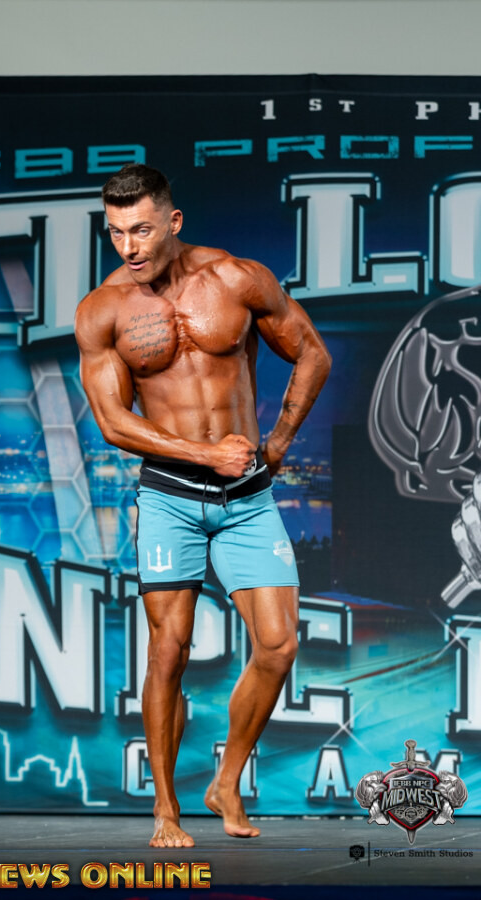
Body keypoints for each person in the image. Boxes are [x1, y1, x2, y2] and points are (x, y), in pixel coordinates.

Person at [75, 164, 331, 848]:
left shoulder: (236, 278)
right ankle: (166, 808)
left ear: (174, 221)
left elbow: (312, 354)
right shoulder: (103, 310)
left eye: (141, 229)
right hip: (169, 499)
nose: (129, 246)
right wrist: (202, 454)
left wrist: (278, 443)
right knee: (169, 651)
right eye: (116, 233)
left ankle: (227, 779)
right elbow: (114, 422)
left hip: (246, 497)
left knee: (278, 645)